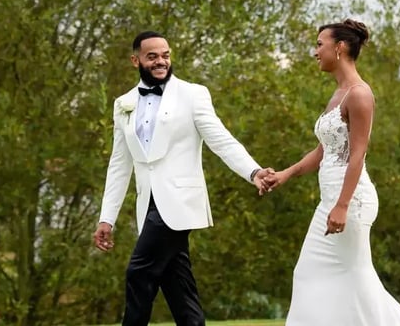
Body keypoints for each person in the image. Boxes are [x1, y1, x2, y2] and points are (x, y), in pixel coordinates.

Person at [94, 30, 272, 326]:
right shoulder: (123, 103)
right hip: (148, 206)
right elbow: (119, 164)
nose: (161, 61)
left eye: (165, 55)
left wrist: (252, 171)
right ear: (135, 60)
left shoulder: (192, 94)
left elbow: (220, 140)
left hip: (180, 201)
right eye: (152, 56)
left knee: (138, 273)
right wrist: (106, 218)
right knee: (178, 288)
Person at [262, 19, 400, 325]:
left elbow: (358, 154)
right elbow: (323, 151)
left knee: (358, 281)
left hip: (351, 202)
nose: (315, 52)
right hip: (330, 201)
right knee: (308, 275)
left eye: (319, 45)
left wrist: (343, 205)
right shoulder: (338, 94)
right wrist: (285, 174)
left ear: (340, 47)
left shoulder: (360, 94)